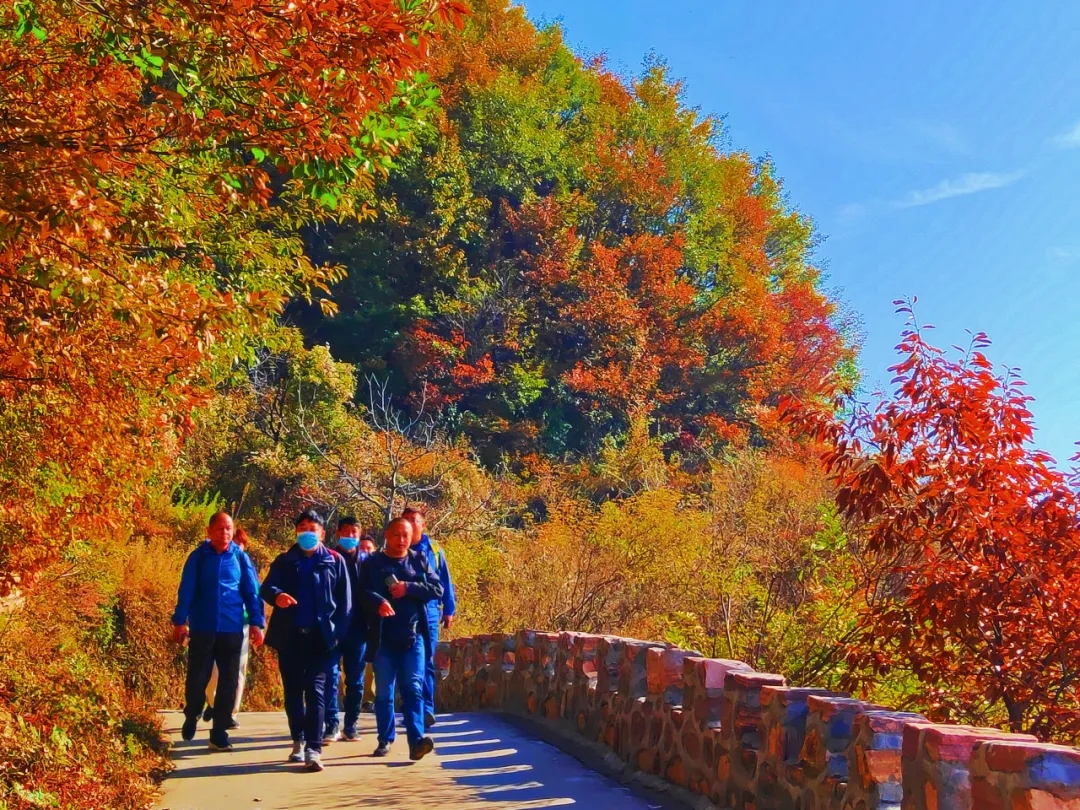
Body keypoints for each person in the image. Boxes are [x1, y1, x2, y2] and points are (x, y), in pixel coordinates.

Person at [260, 510, 350, 772]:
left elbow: (345, 604)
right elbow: (266, 587)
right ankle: (297, 740)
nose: (307, 532)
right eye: (302, 528)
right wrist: (277, 596)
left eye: (313, 528)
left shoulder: (335, 561)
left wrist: (336, 636)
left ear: (322, 533)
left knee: (316, 692)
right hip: (290, 637)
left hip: (321, 639)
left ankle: (313, 748)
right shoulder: (286, 561)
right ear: (296, 532)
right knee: (293, 692)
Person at [171, 512, 265, 752]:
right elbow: (187, 590)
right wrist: (179, 621)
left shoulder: (240, 558)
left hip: (231, 629)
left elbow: (251, 592)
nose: (225, 533)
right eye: (220, 528)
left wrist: (257, 622)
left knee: (228, 682)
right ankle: (192, 712)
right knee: (197, 678)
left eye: (229, 528)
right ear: (209, 531)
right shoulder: (198, 558)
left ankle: (219, 731)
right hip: (203, 629)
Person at [360, 517, 442, 760]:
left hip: (413, 636)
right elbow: (361, 592)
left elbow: (437, 589)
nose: (401, 540)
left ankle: (416, 741)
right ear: (387, 535)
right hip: (383, 636)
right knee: (384, 692)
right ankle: (385, 739)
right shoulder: (373, 563)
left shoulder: (419, 560)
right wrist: (379, 602)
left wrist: (409, 588)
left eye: (406, 535)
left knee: (413, 688)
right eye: (396, 535)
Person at [402, 505, 456, 730]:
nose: (410, 524)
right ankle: (412, 710)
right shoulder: (396, 547)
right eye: (406, 520)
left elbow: (445, 580)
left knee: (426, 662)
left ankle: (427, 710)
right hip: (403, 615)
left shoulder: (434, 549)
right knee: (407, 664)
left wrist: (449, 609)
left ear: (423, 524)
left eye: (414, 520)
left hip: (431, 613)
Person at [323, 522, 375, 743]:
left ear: (359, 534)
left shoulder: (367, 563)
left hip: (358, 629)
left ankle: (351, 725)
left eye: (354, 533)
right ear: (338, 533)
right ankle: (331, 723)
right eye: (346, 532)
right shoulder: (328, 558)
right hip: (333, 628)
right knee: (330, 676)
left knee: (355, 679)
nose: (350, 536)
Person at [202, 526, 255, 729]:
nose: (237, 549)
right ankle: (213, 703)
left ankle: (230, 712)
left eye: (241, 546)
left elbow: (254, 594)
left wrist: (256, 623)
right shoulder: (209, 561)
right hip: (213, 626)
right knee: (213, 672)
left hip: (239, 626)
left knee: (237, 672)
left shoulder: (245, 565)